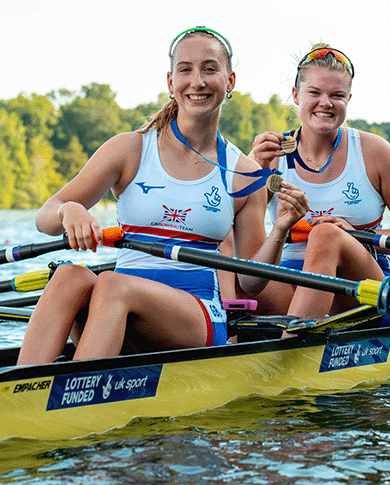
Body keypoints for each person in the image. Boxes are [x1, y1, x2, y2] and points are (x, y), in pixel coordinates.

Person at [17, 27, 308, 365]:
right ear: (171, 82)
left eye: (209, 69)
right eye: (185, 70)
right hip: (120, 303)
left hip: (194, 313)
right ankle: (18, 391)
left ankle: (73, 394)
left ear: (230, 81)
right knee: (68, 275)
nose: (197, 81)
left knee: (112, 285)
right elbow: (45, 217)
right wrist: (68, 210)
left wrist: (280, 229)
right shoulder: (129, 149)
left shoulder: (244, 172)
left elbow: (251, 281)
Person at [238, 44, 390, 323]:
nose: (325, 103)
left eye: (337, 95)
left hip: (361, 290)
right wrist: (250, 172)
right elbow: (230, 229)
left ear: (349, 99)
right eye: (315, 93)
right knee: (226, 243)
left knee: (327, 235)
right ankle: (224, 338)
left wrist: (354, 237)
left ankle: (291, 345)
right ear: (296, 95)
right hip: (290, 283)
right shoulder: (270, 154)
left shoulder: (373, 151)